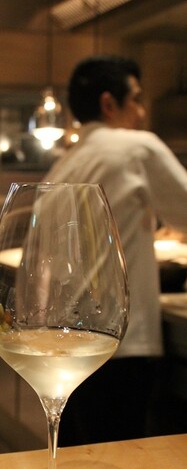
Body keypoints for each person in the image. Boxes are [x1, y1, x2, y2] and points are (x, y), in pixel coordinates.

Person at [45, 54, 187, 446]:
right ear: (109, 103)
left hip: (62, 339)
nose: (142, 112)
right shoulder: (136, 147)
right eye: (137, 99)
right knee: (117, 457)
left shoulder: (65, 164)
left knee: (75, 454)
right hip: (120, 342)